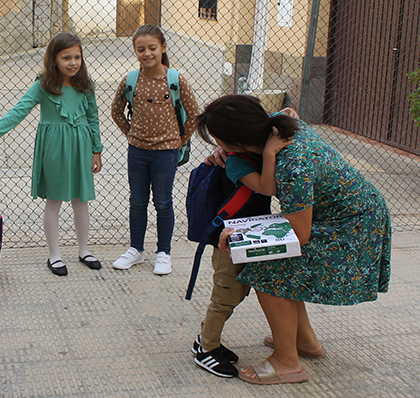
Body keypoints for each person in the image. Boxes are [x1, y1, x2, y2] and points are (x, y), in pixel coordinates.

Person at [197, 94, 392, 385]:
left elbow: (298, 234)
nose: (217, 147)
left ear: (236, 142)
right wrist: (225, 152)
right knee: (284, 267)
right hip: (355, 213)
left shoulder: (291, 164)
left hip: (352, 228)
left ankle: (286, 362)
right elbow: (288, 112)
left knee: (269, 270)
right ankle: (305, 343)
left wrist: (240, 234)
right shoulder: (280, 125)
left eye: (219, 141)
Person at [0, 32, 103, 277]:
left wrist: (96, 149)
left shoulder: (85, 84)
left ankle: (83, 249)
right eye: (66, 57)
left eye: (77, 56)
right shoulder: (43, 86)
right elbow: (19, 110)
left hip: (81, 146)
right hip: (55, 149)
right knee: (54, 201)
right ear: (53, 59)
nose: (73, 62)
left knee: (81, 200)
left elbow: (93, 118)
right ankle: (54, 254)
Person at [192, 106, 291, 378]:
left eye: (218, 138)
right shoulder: (234, 160)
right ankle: (206, 347)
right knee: (225, 295)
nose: (217, 144)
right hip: (230, 240)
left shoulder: (250, 146)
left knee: (234, 293)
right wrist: (270, 152)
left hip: (248, 235)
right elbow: (267, 187)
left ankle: (206, 339)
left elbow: (281, 113)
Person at [109, 25, 200, 275]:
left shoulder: (175, 79)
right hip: (137, 152)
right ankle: (136, 250)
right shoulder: (131, 80)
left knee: (163, 201)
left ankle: (164, 252)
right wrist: (131, 133)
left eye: (152, 48)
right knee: (137, 202)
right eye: (141, 49)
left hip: (166, 154)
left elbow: (194, 114)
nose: (146, 53)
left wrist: (180, 140)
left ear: (163, 48)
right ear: (135, 51)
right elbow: (116, 111)